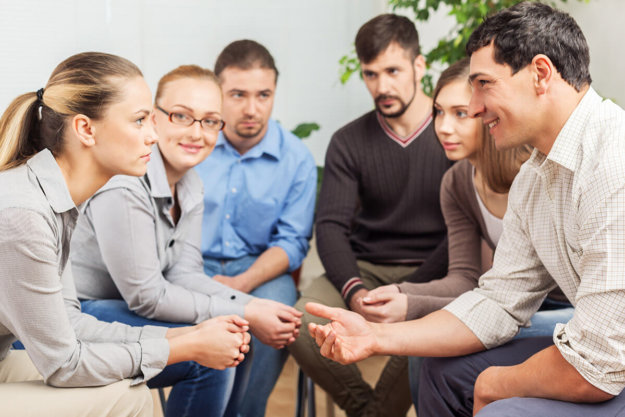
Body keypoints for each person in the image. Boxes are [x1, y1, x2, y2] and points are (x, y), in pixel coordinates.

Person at [306, 2, 625, 416]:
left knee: (497, 405)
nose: (473, 108)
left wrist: (496, 383)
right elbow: (498, 302)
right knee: (443, 372)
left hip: (608, 364)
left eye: (483, 84)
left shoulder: (612, 162)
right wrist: (374, 336)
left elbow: (598, 364)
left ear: (541, 74)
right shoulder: (534, 178)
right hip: (600, 354)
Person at [0, 52, 250, 417]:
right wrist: (184, 347)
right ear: (86, 129)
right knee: (127, 395)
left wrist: (182, 337)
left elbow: (71, 323)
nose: (153, 135)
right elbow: (65, 365)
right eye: (139, 121)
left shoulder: (54, 199)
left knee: (124, 384)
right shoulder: (24, 214)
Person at [69, 64, 301, 417]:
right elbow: (147, 296)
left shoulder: (190, 185)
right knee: (212, 352)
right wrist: (248, 312)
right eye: (182, 116)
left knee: (234, 339)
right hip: (78, 316)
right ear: (154, 120)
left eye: (210, 121)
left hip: (117, 309)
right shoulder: (126, 182)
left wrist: (251, 306)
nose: (197, 133)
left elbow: (184, 274)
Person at [289, 14, 452, 417]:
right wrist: (354, 291)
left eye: (393, 71)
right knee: (302, 322)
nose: (382, 86)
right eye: (371, 74)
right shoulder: (348, 141)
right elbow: (329, 226)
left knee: (423, 342)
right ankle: (368, 410)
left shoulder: (454, 133)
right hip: (365, 269)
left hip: (438, 275)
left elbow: (464, 235)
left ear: (419, 66)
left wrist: (407, 294)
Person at [195, 40, 317, 416]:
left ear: (274, 93)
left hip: (262, 270)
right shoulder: (193, 147)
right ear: (218, 93)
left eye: (263, 95)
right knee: (192, 310)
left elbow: (292, 242)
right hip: (193, 264)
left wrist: (241, 285)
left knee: (279, 311)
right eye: (238, 95)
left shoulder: (296, 159)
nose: (252, 109)